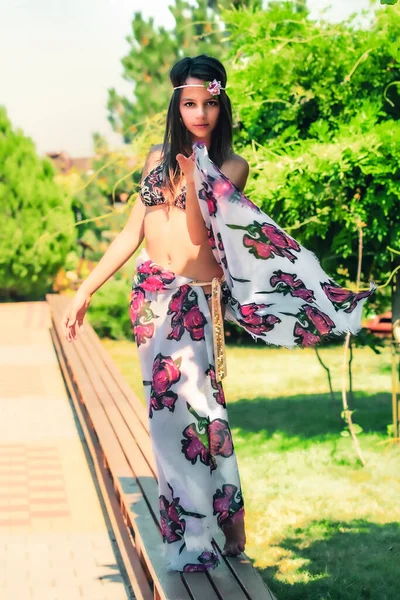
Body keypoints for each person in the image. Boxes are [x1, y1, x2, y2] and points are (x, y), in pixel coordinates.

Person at [62, 54, 375, 573]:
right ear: (176, 105)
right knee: (169, 424)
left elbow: (199, 236)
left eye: (209, 103)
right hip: (151, 300)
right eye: (190, 103)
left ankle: (221, 526)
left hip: (193, 303)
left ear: (221, 104)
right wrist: (85, 291)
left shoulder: (231, 166)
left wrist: (193, 180)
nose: (200, 113)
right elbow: (131, 232)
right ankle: (197, 537)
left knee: (203, 415)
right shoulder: (155, 159)